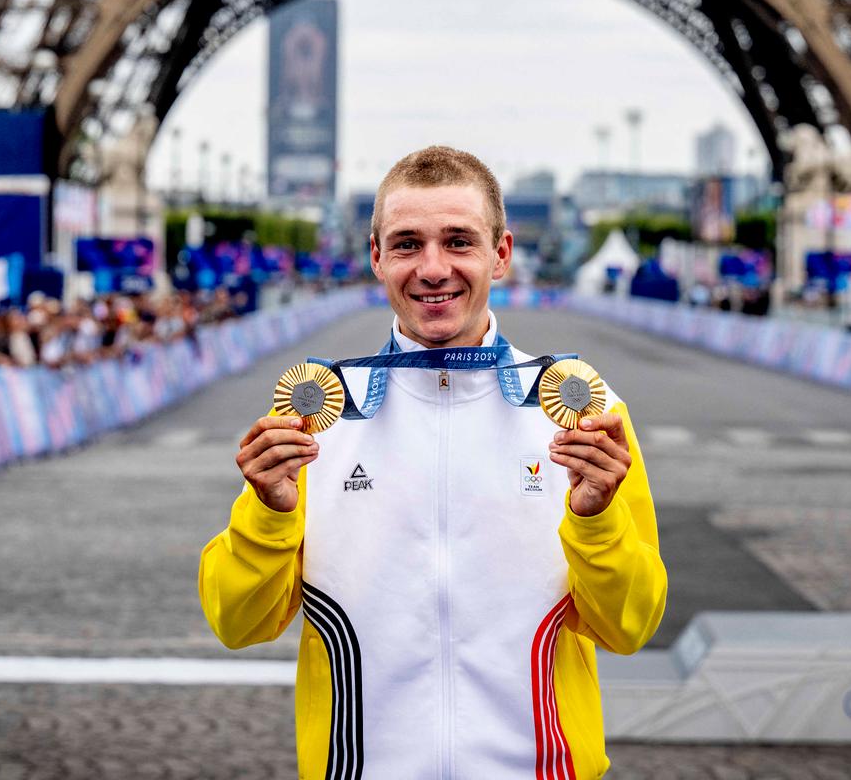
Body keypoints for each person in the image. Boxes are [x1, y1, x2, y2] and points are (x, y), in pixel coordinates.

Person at [199, 146, 667, 779]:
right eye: (407, 244)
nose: (433, 268)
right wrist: (267, 515)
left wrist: (597, 523)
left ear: (501, 254)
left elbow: (630, 628)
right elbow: (235, 622)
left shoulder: (586, 414)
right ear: (376, 257)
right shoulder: (317, 420)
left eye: (458, 241)